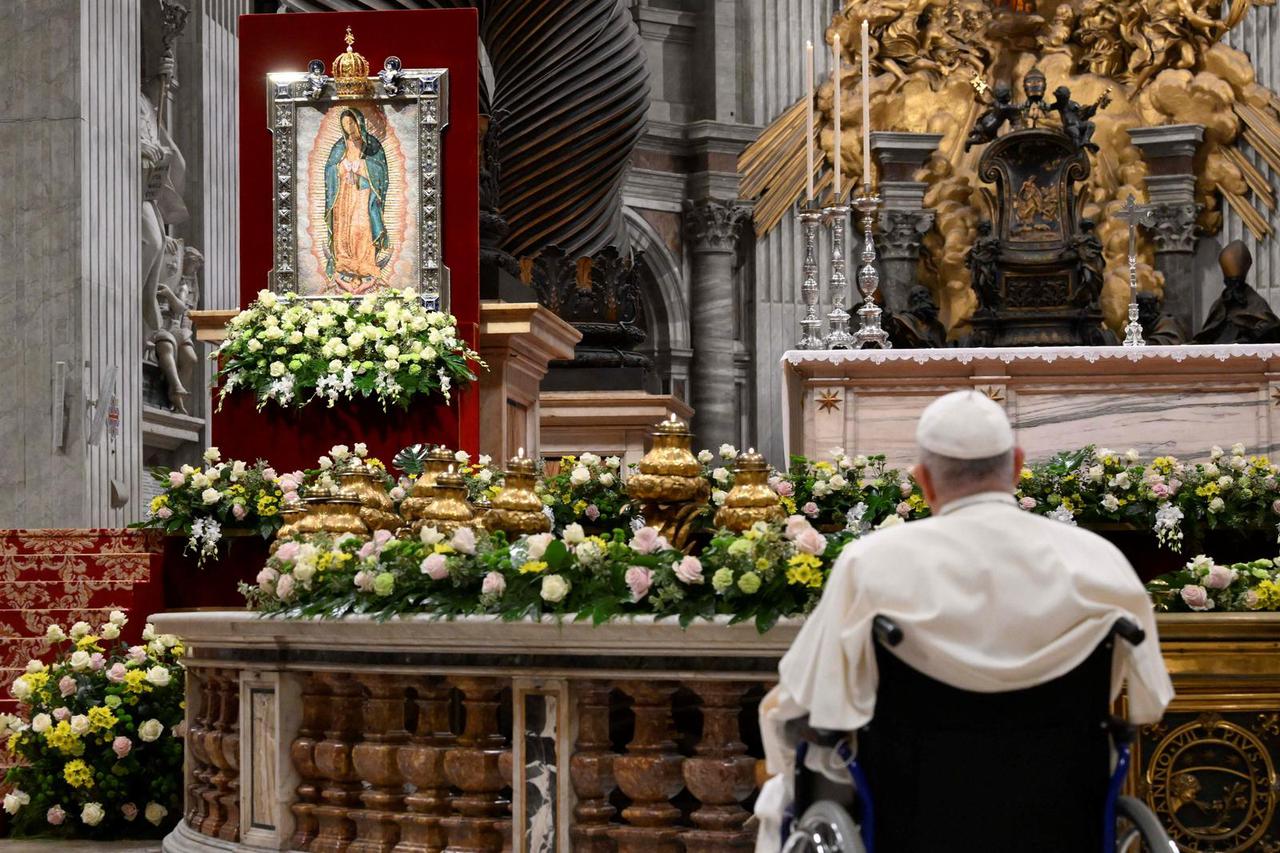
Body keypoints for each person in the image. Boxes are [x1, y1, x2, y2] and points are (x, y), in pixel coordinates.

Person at [755, 390, 1174, 852]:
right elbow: (1148, 703)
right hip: (1059, 820)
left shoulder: (871, 564)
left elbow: (806, 699)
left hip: (914, 820)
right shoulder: (1101, 562)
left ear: (923, 482)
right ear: (1016, 466)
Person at [324, 107, 391, 293]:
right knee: (343, 229)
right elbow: (329, 169)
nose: (349, 127)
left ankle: (365, 263)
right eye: (345, 124)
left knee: (360, 227)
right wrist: (340, 168)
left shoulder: (372, 146)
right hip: (343, 195)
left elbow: (381, 171)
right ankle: (344, 263)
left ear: (359, 122)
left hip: (363, 195)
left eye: (351, 122)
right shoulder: (339, 146)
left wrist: (362, 166)